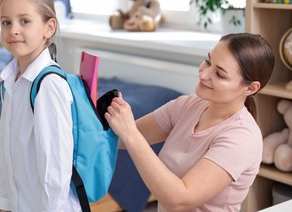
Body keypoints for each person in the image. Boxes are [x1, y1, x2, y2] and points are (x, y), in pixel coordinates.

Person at [105, 33, 275, 212]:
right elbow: (121, 138)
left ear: (250, 88)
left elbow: (180, 200)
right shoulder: (189, 105)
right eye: (208, 61)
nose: (203, 73)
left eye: (219, 74)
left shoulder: (241, 138)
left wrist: (130, 134)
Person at [0, 0, 81, 212]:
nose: (13, 29)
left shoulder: (48, 85)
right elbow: (6, 149)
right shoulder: (10, 80)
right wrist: (6, 201)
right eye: (6, 22)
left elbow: (55, 164)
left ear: (48, 28)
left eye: (25, 21)